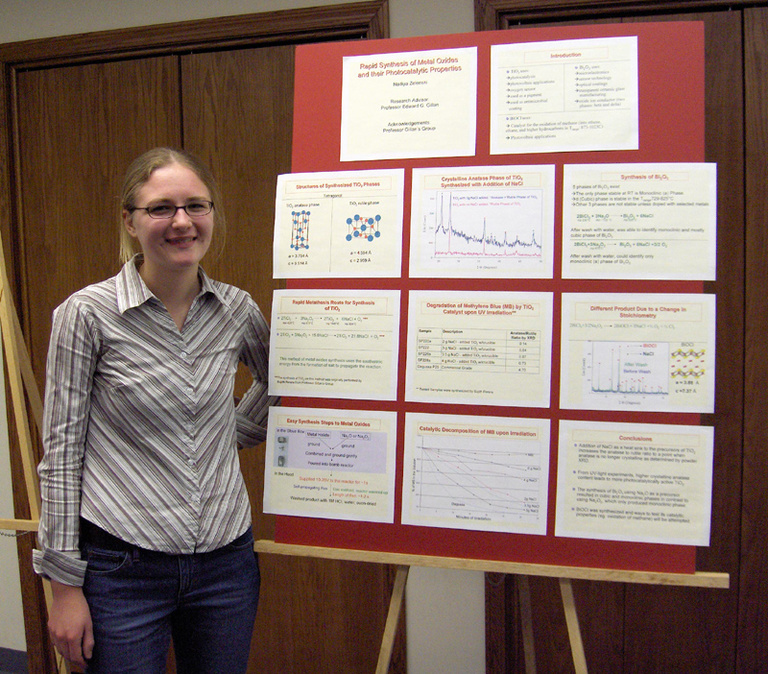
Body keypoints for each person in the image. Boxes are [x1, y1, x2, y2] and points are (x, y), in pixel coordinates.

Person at [33, 147, 278, 673]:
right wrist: (64, 588)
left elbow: (276, 381)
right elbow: (61, 456)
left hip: (225, 565)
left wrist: (226, 431)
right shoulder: (87, 315)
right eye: (161, 208)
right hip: (122, 568)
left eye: (196, 205)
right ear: (130, 220)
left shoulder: (236, 308)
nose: (182, 221)